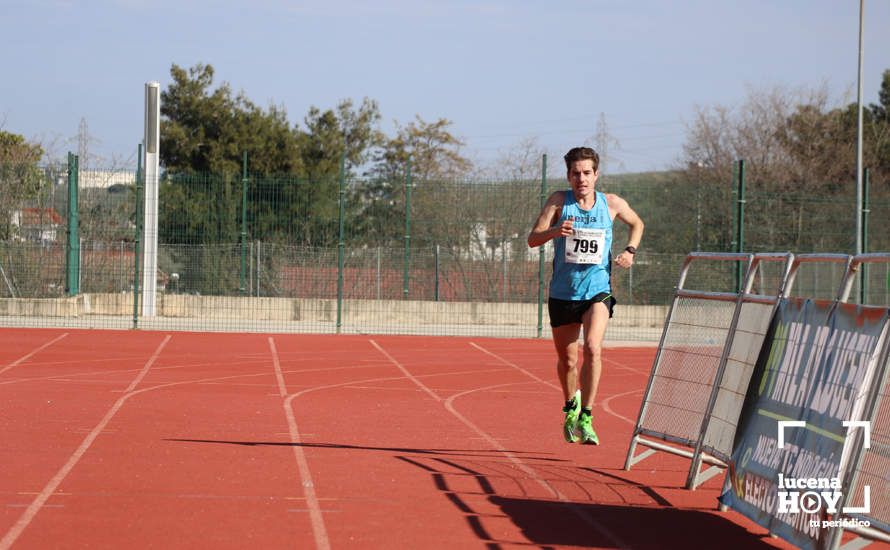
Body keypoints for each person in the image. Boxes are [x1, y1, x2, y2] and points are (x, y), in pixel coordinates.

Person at [527, 147, 644, 445]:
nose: (582, 178)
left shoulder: (612, 203)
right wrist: (555, 231)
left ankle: (587, 415)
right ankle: (571, 407)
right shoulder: (558, 201)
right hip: (564, 293)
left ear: (596, 175)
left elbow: (637, 224)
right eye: (576, 173)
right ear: (568, 176)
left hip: (598, 290)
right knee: (568, 361)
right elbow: (532, 239)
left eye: (587, 173)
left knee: (593, 347)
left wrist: (630, 251)